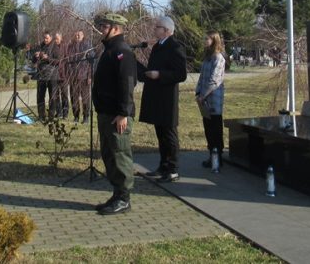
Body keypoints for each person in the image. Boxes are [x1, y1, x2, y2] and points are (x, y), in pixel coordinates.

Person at [92, 13, 137, 215]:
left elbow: (127, 83)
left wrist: (123, 113)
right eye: (101, 25)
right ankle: (117, 194)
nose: (101, 28)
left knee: (120, 155)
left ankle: (124, 199)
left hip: (117, 115)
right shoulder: (110, 50)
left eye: (105, 25)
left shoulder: (122, 51)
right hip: (105, 113)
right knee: (109, 154)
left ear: (116, 28)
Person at [139, 15, 187, 182]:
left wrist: (160, 74)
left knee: (169, 133)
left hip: (167, 98)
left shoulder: (175, 47)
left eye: (157, 27)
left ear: (166, 30)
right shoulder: (157, 47)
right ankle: (163, 165)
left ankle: (173, 169)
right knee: (160, 132)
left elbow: (181, 74)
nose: (154, 29)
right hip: (156, 95)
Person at [196, 31, 226, 167]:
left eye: (207, 39)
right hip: (204, 100)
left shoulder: (219, 58)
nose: (204, 40)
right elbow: (202, 77)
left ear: (214, 40)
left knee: (215, 129)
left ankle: (218, 156)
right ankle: (211, 155)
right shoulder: (207, 58)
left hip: (214, 99)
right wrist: (198, 93)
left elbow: (214, 80)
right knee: (208, 128)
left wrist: (204, 94)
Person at [33, 32, 61, 121]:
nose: (45, 40)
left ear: (51, 38)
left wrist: (47, 58)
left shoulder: (55, 47)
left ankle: (51, 117)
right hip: (41, 75)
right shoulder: (40, 46)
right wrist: (35, 56)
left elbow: (59, 61)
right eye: (44, 38)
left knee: (52, 97)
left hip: (52, 76)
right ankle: (41, 116)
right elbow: (33, 61)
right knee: (40, 96)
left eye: (47, 38)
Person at [66, 30, 93, 123]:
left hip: (84, 77)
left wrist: (90, 76)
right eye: (76, 34)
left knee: (85, 99)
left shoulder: (87, 46)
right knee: (74, 98)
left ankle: (86, 117)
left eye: (79, 34)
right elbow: (67, 62)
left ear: (83, 35)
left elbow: (90, 63)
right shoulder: (70, 46)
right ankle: (76, 117)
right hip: (73, 77)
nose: (77, 36)